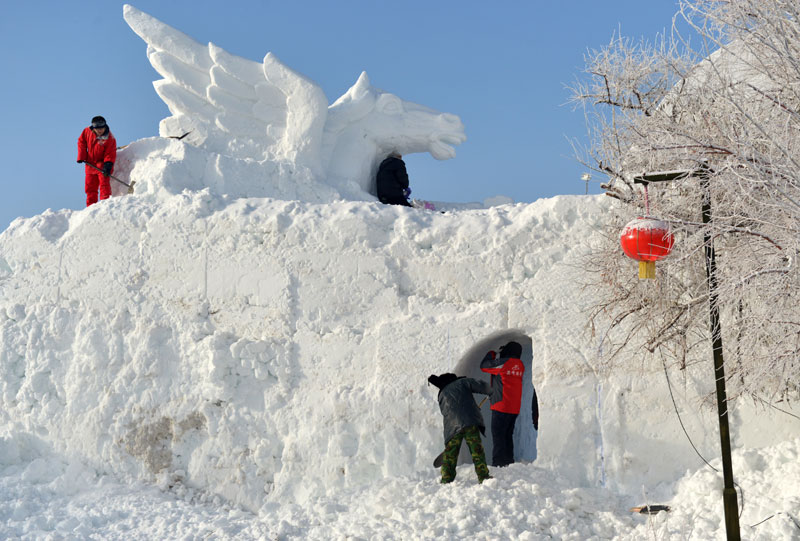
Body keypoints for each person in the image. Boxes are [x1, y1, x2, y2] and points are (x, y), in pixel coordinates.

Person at [428, 372, 492, 484]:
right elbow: (482, 386)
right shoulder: (462, 382)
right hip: (470, 422)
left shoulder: (441, 395)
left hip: (452, 427)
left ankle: (446, 479)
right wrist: (491, 390)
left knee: (451, 453)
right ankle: (483, 476)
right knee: (476, 450)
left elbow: (446, 413)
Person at [480, 341, 525, 467]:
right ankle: (508, 463)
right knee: (507, 436)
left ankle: (499, 465)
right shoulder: (520, 365)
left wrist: (492, 354)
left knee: (499, 437)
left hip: (501, 406)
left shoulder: (505, 363)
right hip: (513, 408)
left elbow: (484, 366)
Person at [77, 116, 117, 207]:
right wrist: (81, 156)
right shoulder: (87, 131)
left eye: (101, 128)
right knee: (90, 188)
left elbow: (110, 153)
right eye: (97, 129)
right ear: (93, 128)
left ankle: (105, 205)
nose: (100, 131)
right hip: (90, 164)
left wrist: (108, 164)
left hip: (102, 165)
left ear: (105, 126)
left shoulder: (109, 138)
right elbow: (81, 141)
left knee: (104, 185)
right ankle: (91, 208)